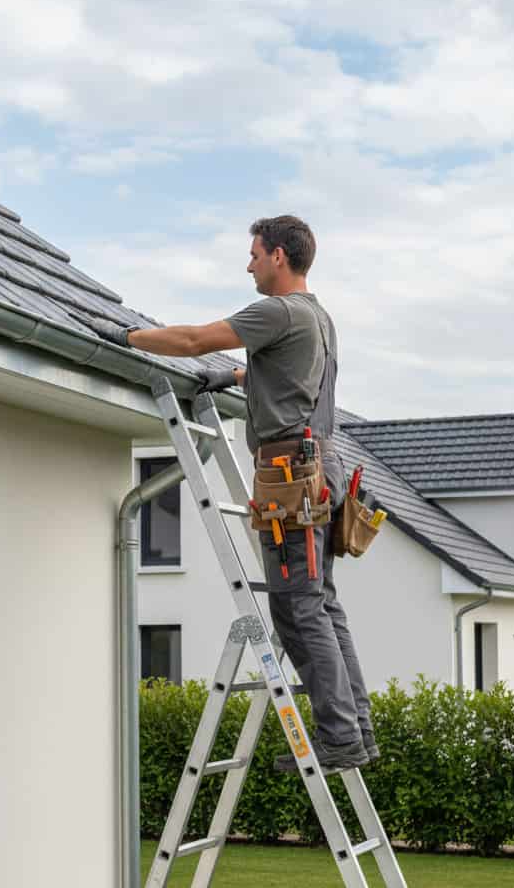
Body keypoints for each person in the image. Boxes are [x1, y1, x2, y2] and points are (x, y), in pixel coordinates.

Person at [91, 215, 376, 771]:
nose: (248, 263)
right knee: (323, 606)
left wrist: (126, 336)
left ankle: (339, 736)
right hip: (322, 466)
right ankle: (356, 729)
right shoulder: (318, 319)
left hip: (291, 474)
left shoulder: (276, 310)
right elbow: (295, 382)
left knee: (298, 610)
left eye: (254, 253)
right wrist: (241, 379)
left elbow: (197, 339)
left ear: (278, 256)